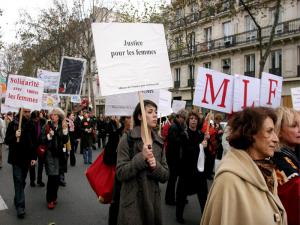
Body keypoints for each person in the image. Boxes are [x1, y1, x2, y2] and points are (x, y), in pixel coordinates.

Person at [200, 107, 287, 225]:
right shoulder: (228, 180)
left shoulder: (268, 171)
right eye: (269, 131)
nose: (276, 139)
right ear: (250, 134)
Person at [116, 100, 169, 225]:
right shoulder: (127, 139)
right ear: (140, 116)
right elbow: (120, 173)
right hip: (132, 203)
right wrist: (141, 158)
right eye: (150, 112)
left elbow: (165, 175)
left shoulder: (159, 142)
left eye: (156, 112)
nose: (155, 115)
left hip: (152, 203)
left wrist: (155, 166)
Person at [176, 111, 208, 224]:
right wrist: (200, 146)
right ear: (188, 120)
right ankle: (178, 215)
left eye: (195, 118)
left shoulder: (200, 134)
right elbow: (186, 151)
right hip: (187, 170)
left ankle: (206, 217)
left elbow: (204, 153)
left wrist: (206, 142)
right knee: (181, 195)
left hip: (199, 171)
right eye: (191, 118)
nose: (193, 120)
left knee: (204, 195)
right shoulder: (184, 134)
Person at [5, 108, 36, 218]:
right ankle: (20, 207)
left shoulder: (32, 124)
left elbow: (34, 142)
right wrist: (15, 135)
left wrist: (34, 157)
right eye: (26, 112)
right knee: (18, 180)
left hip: (26, 158)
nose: (28, 114)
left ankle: (17, 198)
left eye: (29, 112)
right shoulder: (13, 124)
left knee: (22, 181)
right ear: (20, 111)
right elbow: (7, 140)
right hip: (16, 158)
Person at [273, 107, 300, 225]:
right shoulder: (278, 159)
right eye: (294, 126)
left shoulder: (294, 152)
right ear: (279, 131)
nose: (299, 130)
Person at [42, 108, 68, 209]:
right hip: (50, 155)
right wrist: (49, 136)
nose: (53, 116)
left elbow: (65, 141)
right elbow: (42, 139)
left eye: (55, 115)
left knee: (57, 178)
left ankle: (54, 196)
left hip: (60, 155)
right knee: (51, 177)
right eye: (52, 115)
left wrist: (65, 131)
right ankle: (50, 199)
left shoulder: (63, 126)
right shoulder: (47, 126)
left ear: (59, 117)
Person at [165, 109, 187, 205]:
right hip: (173, 158)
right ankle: (169, 199)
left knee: (175, 179)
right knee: (172, 179)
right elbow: (172, 142)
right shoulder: (174, 127)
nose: (184, 120)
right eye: (183, 118)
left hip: (176, 157)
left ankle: (175, 198)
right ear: (179, 117)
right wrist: (182, 136)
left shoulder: (179, 126)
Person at [29, 110, 46, 187]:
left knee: (41, 164)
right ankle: (32, 180)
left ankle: (39, 180)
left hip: (41, 146)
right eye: (34, 118)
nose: (36, 120)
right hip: (32, 146)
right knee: (32, 164)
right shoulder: (30, 123)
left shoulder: (43, 122)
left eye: (37, 118)